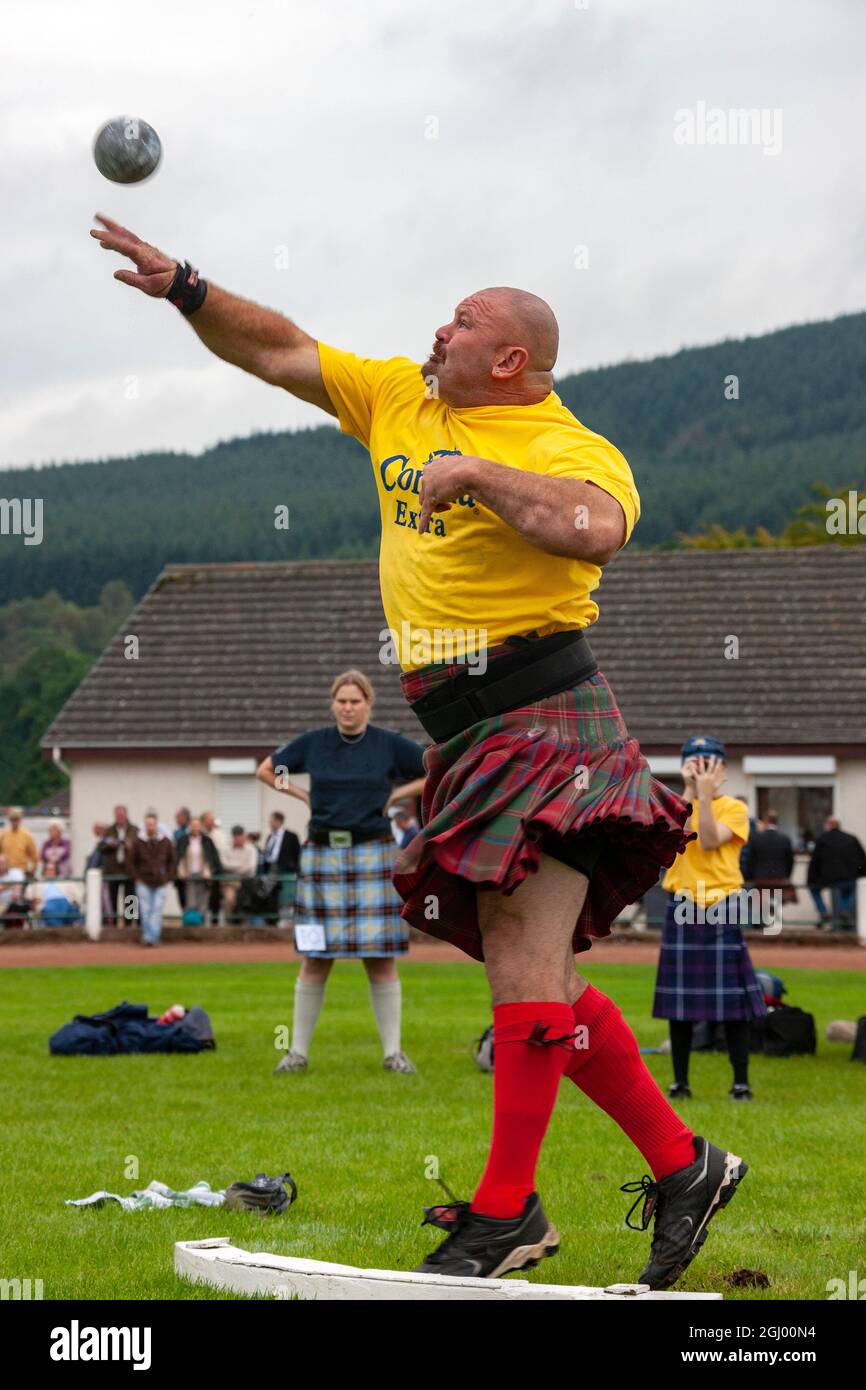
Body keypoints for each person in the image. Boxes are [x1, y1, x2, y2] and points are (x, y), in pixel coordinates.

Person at [92, 216, 747, 1289]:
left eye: (463, 320)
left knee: (526, 973)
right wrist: (189, 288)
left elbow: (592, 529)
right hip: (473, 733)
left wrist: (479, 474)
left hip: (549, 717)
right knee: (531, 977)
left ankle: (507, 1212)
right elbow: (280, 350)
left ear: (510, 359)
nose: (435, 328)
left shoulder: (569, 447)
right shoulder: (400, 395)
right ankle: (682, 1165)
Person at [256, 670, 425, 1074]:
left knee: (380, 957)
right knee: (315, 956)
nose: (347, 707)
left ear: (368, 703)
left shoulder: (388, 745)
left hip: (374, 854)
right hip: (322, 857)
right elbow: (267, 770)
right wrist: (302, 796)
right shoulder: (314, 744)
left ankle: (393, 1054)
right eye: (341, 701)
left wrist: (397, 794)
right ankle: (296, 1053)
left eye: (355, 701)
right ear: (333, 704)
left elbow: (435, 767)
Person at [653, 737, 768, 1102]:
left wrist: (703, 795)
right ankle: (680, 1082)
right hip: (682, 903)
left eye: (709, 763)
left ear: (724, 771)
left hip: (723, 904)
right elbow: (675, 834)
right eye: (695, 763)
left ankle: (740, 1082)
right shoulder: (673, 806)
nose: (703, 770)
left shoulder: (735, 808)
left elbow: (709, 842)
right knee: (680, 1005)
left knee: (732, 1004)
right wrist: (690, 790)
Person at [808, 817, 866, 932]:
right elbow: (862, 859)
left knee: (814, 890)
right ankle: (844, 911)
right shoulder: (851, 839)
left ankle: (824, 912)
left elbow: (815, 861)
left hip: (828, 879)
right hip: (849, 878)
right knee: (850, 891)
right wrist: (861, 874)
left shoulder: (822, 840)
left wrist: (811, 879)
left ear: (828, 826)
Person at [740, 807, 797, 927]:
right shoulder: (785, 839)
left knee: (752, 897)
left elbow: (750, 860)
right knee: (771, 898)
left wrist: (750, 876)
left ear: (765, 821)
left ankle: (763, 919)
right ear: (777, 821)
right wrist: (786, 876)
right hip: (780, 879)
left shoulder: (756, 838)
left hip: (759, 879)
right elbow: (790, 860)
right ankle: (769, 915)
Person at [128, 811, 177, 947]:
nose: (150, 827)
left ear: (156, 825)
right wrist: (136, 877)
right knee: (145, 909)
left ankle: (152, 937)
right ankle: (149, 936)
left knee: (156, 908)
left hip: (161, 881)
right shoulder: (138, 842)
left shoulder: (165, 841)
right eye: (148, 824)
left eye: (152, 824)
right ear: (145, 825)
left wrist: (168, 877)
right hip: (143, 881)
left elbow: (172, 861)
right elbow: (131, 862)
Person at [175, 816, 222, 921]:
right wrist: (180, 869)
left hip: (203, 877)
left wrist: (209, 869)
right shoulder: (183, 840)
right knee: (190, 903)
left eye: (197, 826)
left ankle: (201, 927)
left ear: (200, 827)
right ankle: (191, 926)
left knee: (203, 904)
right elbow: (178, 857)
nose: (195, 828)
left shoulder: (207, 841)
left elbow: (213, 859)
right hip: (188, 877)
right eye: (193, 826)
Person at [260, 811, 301, 924]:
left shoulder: (291, 836)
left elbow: (298, 854)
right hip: (271, 869)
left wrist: (296, 870)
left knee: (287, 895)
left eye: (271, 821)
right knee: (268, 893)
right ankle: (272, 919)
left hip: (287, 869)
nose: (270, 823)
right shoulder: (270, 836)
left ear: (279, 821)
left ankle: (286, 920)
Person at [100, 805, 138, 926]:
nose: (120, 817)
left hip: (129, 870)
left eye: (122, 815)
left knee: (130, 898)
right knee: (112, 898)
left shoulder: (135, 830)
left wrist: (130, 846)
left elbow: (139, 848)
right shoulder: (109, 830)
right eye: (118, 815)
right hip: (112, 870)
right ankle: (113, 924)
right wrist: (110, 845)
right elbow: (101, 848)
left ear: (126, 815)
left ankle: (130, 924)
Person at [220, 824, 259, 921]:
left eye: (240, 835)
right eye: (236, 836)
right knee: (229, 900)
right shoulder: (225, 849)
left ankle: (244, 926)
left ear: (244, 836)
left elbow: (251, 867)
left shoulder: (251, 849)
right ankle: (228, 925)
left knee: (247, 903)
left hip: (247, 883)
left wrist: (232, 868)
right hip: (230, 883)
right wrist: (242, 866)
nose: (238, 838)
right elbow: (224, 865)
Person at [201, 811, 228, 923]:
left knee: (215, 899)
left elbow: (223, 852)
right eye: (210, 819)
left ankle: (214, 922)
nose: (213, 822)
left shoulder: (219, 834)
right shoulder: (201, 834)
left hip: (216, 871)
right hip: (203, 871)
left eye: (213, 819)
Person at [0, 809, 38, 877]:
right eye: (12, 820)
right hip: (5, 872)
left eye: (16, 820)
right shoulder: (3, 835)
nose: (14, 822)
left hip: (21, 871)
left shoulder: (27, 836)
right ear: (9, 820)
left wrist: (32, 871)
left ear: (20, 820)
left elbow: (34, 857)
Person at [173, 807, 191, 910]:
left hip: (191, 869)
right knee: (182, 897)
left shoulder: (192, 831)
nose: (176, 820)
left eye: (178, 817)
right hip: (179, 870)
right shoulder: (177, 833)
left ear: (185, 817)